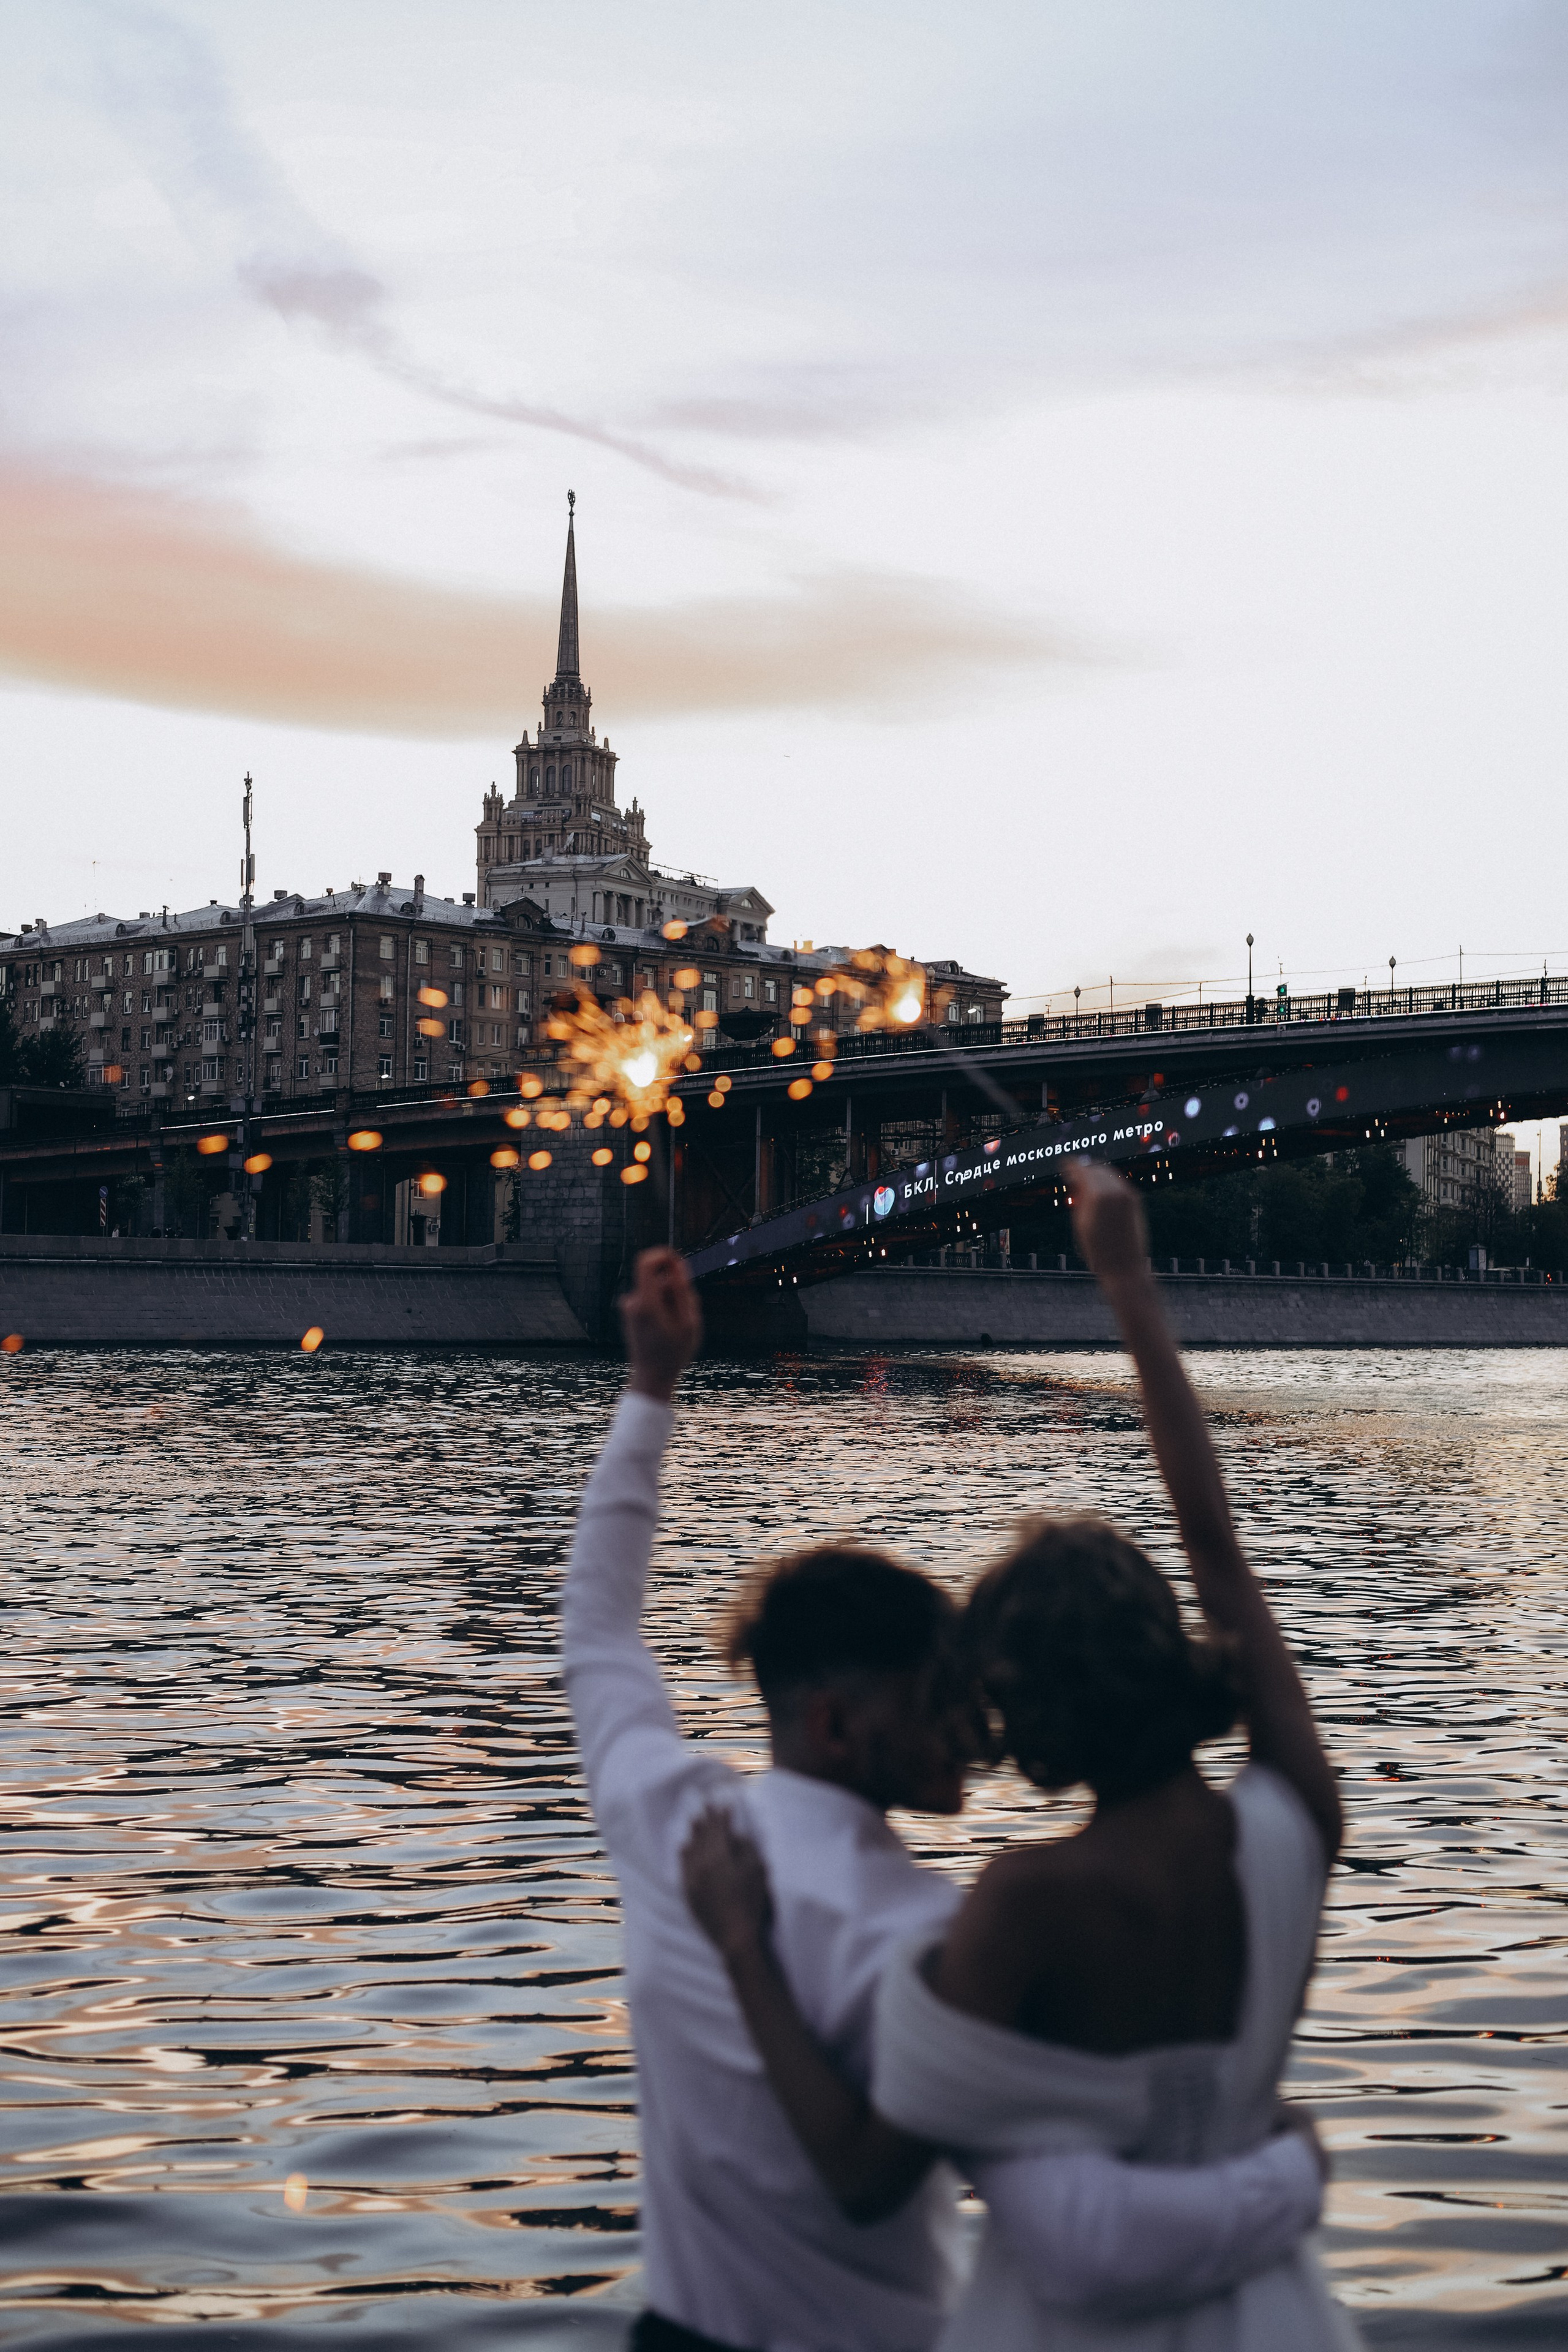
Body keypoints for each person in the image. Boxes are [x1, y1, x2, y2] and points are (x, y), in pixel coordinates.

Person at [564, 1244, 1329, 2352]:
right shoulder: (932, 1930)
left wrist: (653, 1385)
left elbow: (595, 1627)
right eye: (937, 1698)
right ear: (835, 1725)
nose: (970, 1723)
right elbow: (1073, 2222)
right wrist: (1289, 2168)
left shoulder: (672, 1822)